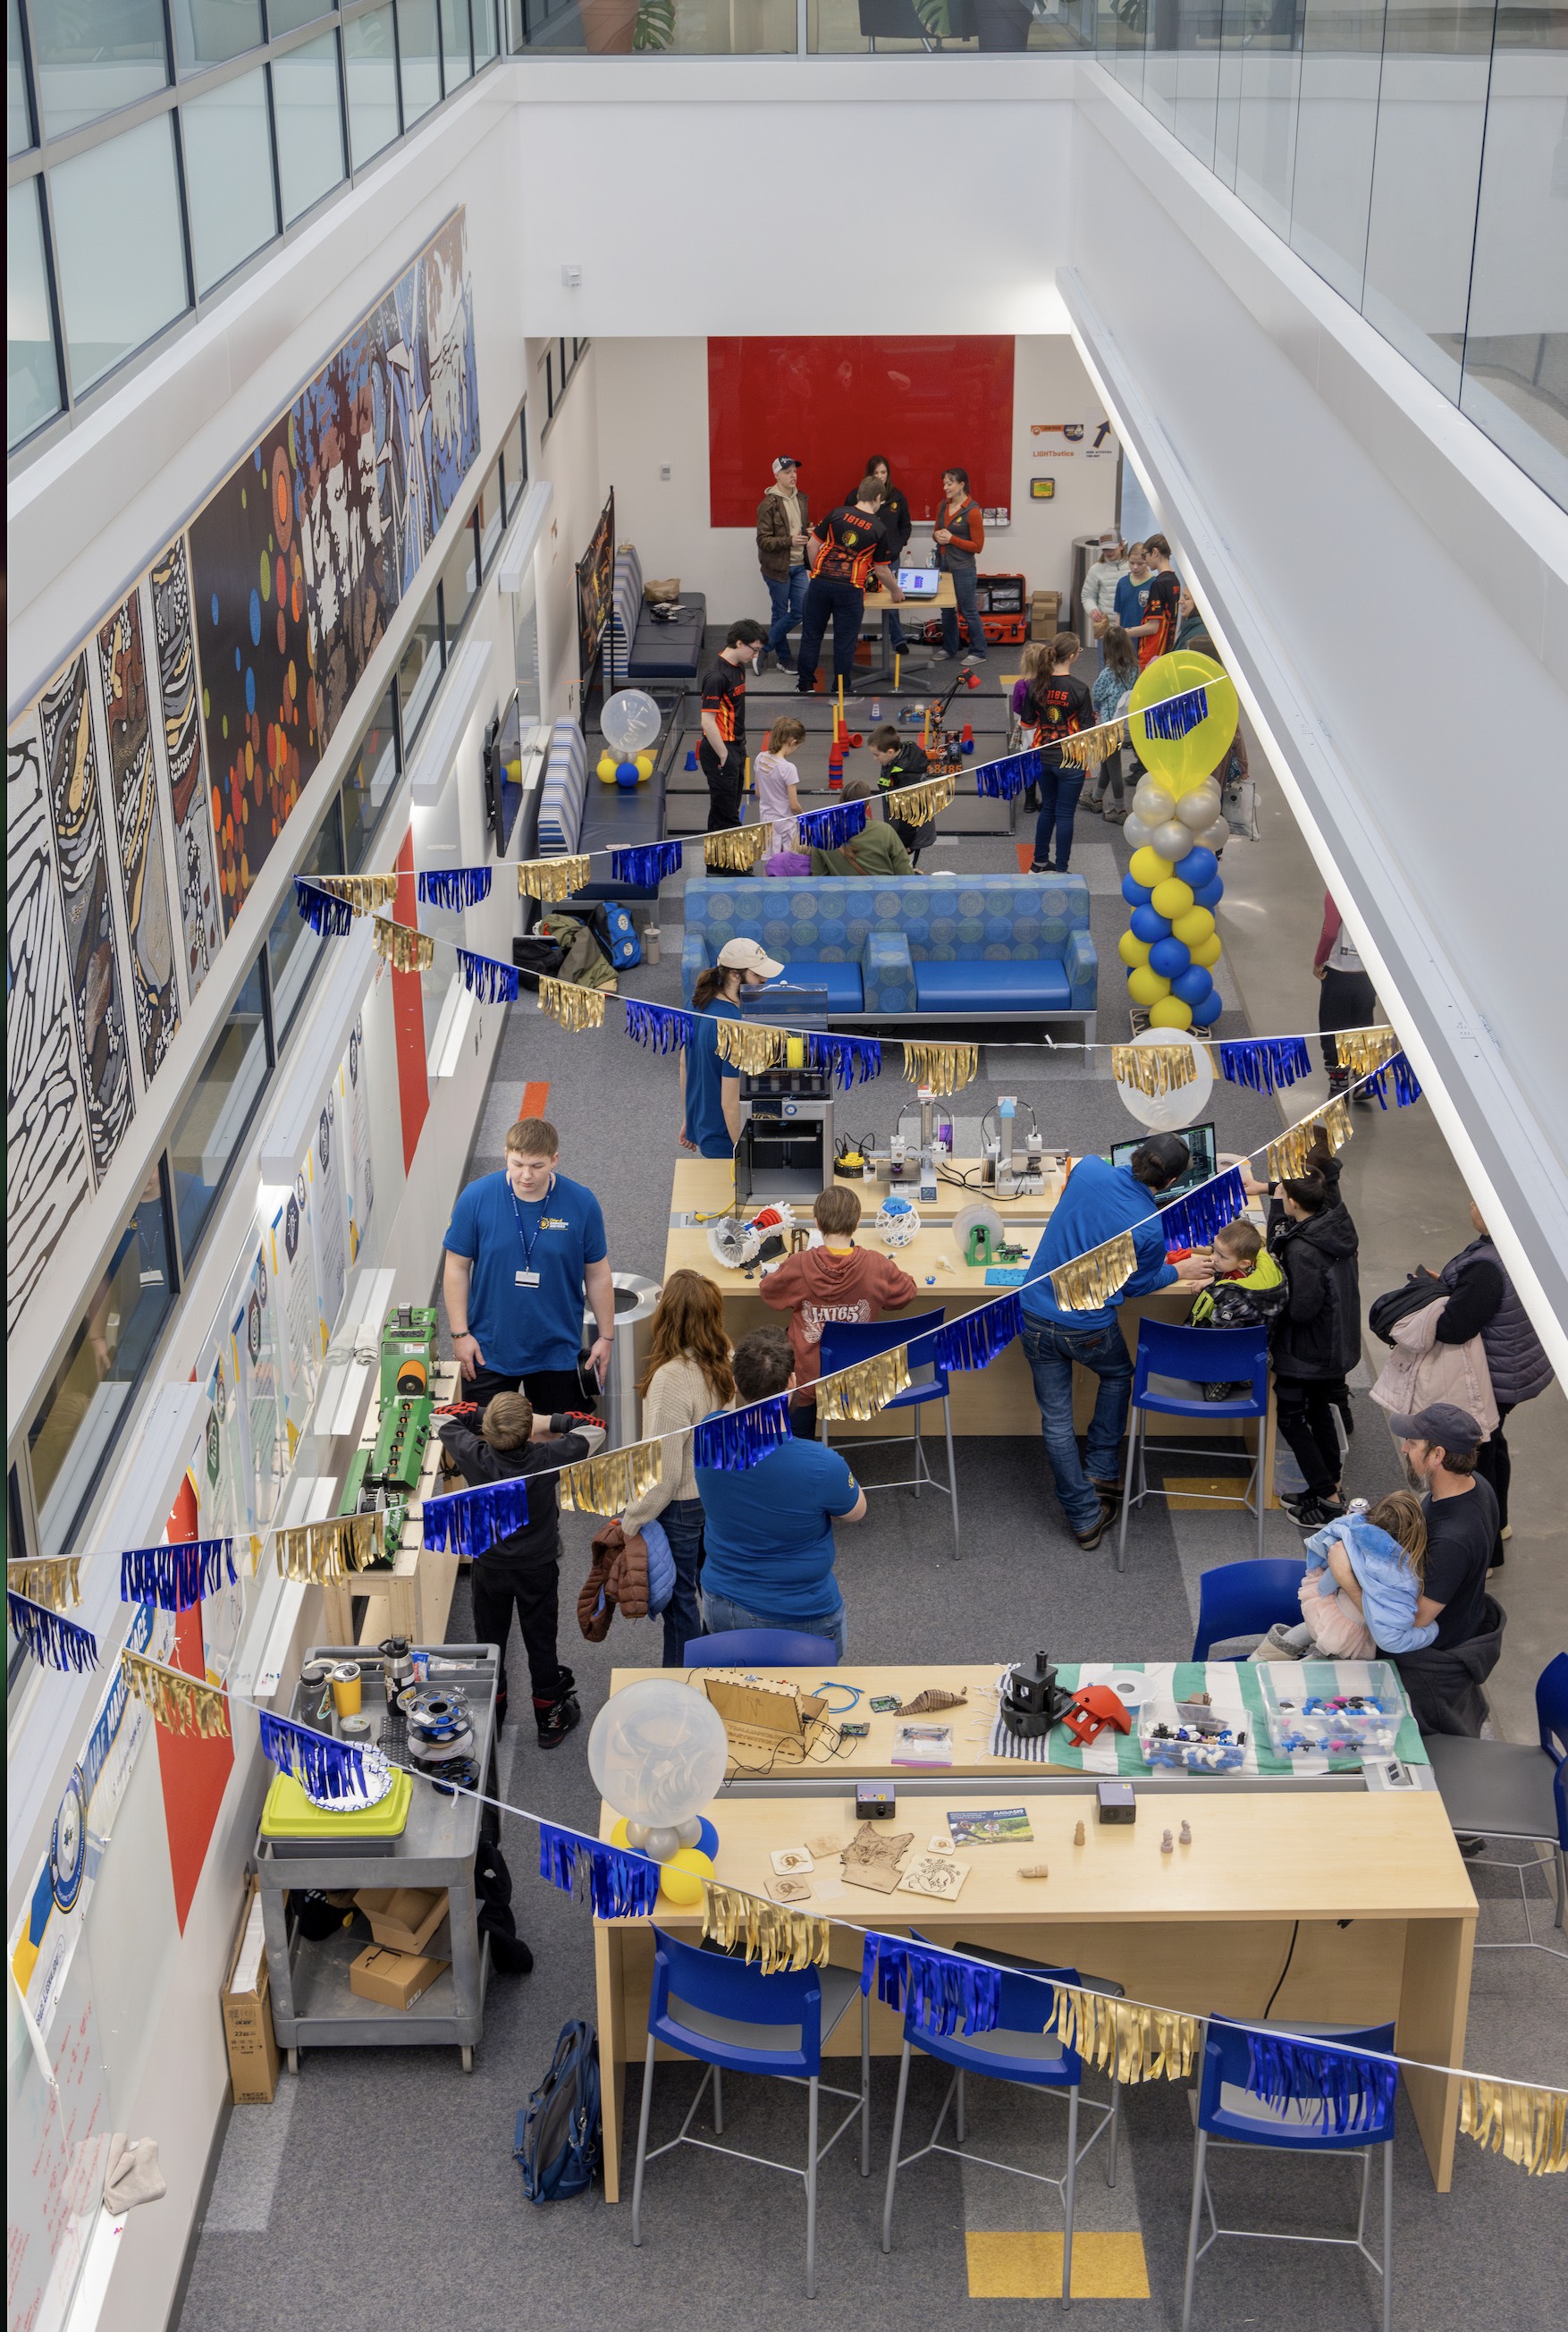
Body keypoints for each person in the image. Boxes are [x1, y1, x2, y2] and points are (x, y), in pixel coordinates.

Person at [1021, 1136, 1213, 1549]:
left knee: (1055, 1421)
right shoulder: (1149, 1227)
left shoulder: (1088, 1167)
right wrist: (1181, 1271)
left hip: (1035, 1313)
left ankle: (1083, 1515)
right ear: (1175, 1180)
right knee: (1118, 1376)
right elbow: (1139, 1284)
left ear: (1133, 1155)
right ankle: (1102, 1469)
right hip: (1088, 1327)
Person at [435, 1393, 603, 1738]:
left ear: (486, 1432)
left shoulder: (475, 1455)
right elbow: (595, 1429)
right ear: (530, 1433)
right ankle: (550, 1722)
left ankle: (492, 1718)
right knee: (541, 1643)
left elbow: (440, 1416)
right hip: (537, 1568)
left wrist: (488, 1417)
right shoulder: (547, 1457)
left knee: (490, 1641)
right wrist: (548, 1421)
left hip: (489, 1567)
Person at [694, 1328, 867, 1656]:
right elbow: (856, 1511)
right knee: (809, 1702)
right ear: (791, 1383)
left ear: (735, 1384)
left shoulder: (708, 1432)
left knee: (736, 1699)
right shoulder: (822, 1464)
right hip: (803, 1616)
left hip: (723, 1606)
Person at [443, 1117, 613, 1414]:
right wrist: (459, 1334)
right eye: (517, 1164)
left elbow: (597, 1273)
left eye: (537, 1166)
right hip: (488, 1347)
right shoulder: (475, 1198)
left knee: (558, 1442)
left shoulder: (582, 1203)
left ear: (554, 1160)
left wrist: (606, 1336)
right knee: (488, 1439)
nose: (526, 1175)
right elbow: (456, 1267)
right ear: (505, 1155)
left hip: (557, 1348)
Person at [622, 1270, 736, 1666]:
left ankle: (680, 1683)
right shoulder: (725, 1356)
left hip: (683, 1505)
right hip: (718, 1496)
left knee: (680, 1601)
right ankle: (718, 1662)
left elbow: (663, 1473)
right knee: (715, 1589)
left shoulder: (671, 1379)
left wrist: (631, 1520)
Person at [1430, 1201, 1553, 1566]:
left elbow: (1456, 1328)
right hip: (1515, 1368)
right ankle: (1500, 1524)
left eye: (1479, 1200)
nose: (1470, 1204)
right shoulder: (1518, 1245)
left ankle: (1487, 1557)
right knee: (1493, 1441)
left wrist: (1433, 1308)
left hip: (1492, 1377)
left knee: (1474, 1459)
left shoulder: (1486, 1266)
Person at [1376, 1405, 1503, 1736]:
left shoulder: (1454, 1540)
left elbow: (1412, 1619)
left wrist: (1348, 1576)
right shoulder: (1475, 1485)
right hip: (1458, 1624)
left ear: (1438, 1455)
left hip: (1428, 1665)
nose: (1404, 1448)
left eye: (1413, 1443)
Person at [760, 1184, 919, 1440]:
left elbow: (769, 1292)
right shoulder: (876, 1264)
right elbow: (907, 1292)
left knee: (787, 1351)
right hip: (857, 1377)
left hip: (807, 1380)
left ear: (817, 1223)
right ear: (856, 1223)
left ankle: (801, 1446)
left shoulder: (799, 1264)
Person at [1269, 1168, 1361, 1526]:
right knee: (1320, 1408)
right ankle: (1330, 1484)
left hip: (1307, 1351)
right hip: (1336, 1342)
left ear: (1292, 1201)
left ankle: (1326, 1496)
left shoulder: (1302, 1249)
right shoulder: (1334, 1226)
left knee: (1292, 1417)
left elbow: (1301, 1310)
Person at [1252, 1491, 1434, 1662]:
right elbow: (1392, 1637)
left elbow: (1321, 1541)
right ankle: (1296, 1675)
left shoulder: (1353, 1533)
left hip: (1324, 1607)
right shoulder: (1402, 1575)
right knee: (1330, 1661)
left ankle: (1257, 1661)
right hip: (1347, 1636)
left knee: (1305, 1632)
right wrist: (1431, 1631)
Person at [797, 479, 902, 697]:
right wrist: (895, 591)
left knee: (811, 635)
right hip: (850, 587)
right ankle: (841, 690)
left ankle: (805, 685)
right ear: (878, 499)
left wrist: (818, 571)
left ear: (857, 496)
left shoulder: (837, 514)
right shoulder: (879, 529)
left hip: (820, 583)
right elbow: (882, 571)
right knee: (844, 641)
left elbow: (812, 544)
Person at [679, 937, 783, 1159]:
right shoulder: (735, 1030)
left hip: (704, 1126)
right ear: (735, 975)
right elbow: (730, 1106)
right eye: (757, 975)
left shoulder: (696, 1002)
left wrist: (690, 1117)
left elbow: (684, 1063)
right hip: (725, 1138)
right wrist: (743, 1153)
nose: (764, 980)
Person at [1186, 1217, 1286, 1398]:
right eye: (1215, 1251)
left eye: (1221, 1256)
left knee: (1211, 1347)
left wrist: (1213, 1289)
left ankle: (1225, 1376)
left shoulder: (1233, 1300)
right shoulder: (1258, 1266)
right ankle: (1249, 1366)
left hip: (1230, 1346)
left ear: (1244, 1263)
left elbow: (1219, 1336)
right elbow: (1233, 1277)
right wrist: (1214, 1280)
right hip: (1255, 1339)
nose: (1214, 1258)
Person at [1025, 630, 1095, 874]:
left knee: (1048, 809)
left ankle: (1039, 862)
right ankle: (1062, 868)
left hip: (1042, 757)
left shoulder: (1036, 685)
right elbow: (1088, 731)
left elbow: (1026, 724)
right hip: (1071, 760)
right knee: (1065, 814)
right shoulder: (1080, 688)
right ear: (1074, 656)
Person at [698, 619, 767, 833]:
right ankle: (731, 866)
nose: (755, 656)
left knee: (724, 809)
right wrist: (724, 755)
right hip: (721, 749)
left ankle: (717, 863)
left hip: (736, 746)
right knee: (727, 816)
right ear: (739, 643)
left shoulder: (738, 668)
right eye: (754, 650)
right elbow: (707, 722)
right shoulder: (716, 676)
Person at [1313, 891, 1378, 1102]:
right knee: (1362, 1024)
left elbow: (1330, 933)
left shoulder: (1335, 891)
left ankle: (1339, 1084)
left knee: (1332, 1028)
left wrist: (1319, 960)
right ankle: (1361, 1080)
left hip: (1338, 973)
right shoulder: (1374, 891)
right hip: (1367, 973)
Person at [755, 456, 810, 671]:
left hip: (799, 566)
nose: (793, 475)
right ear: (776, 475)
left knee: (800, 611)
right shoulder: (768, 504)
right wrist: (790, 541)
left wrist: (808, 534)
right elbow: (762, 540)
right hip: (777, 568)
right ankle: (784, 658)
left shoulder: (802, 499)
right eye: (787, 472)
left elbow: (799, 529)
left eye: (795, 471)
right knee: (780, 612)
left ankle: (763, 649)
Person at [856, 455, 914, 655]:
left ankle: (898, 640)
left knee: (892, 596)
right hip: (863, 558)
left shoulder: (897, 497)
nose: (880, 476)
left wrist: (898, 545)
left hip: (891, 558)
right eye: (876, 473)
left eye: (884, 472)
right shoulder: (857, 496)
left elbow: (905, 526)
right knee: (857, 598)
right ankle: (851, 637)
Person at [933, 467, 988, 667]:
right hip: (943, 564)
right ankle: (950, 647)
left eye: (950, 483)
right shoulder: (942, 505)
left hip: (964, 567)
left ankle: (979, 651)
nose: (945, 487)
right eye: (944, 483)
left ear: (961, 485)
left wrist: (952, 539)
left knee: (968, 610)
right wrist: (937, 536)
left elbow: (978, 547)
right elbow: (936, 532)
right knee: (946, 609)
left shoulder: (972, 511)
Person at [1083, 622, 1138, 823]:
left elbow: (1096, 692)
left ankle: (1120, 809)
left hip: (1107, 726)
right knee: (1107, 763)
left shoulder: (1108, 672)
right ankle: (1096, 797)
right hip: (1122, 723)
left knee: (1114, 768)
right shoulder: (1134, 667)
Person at [808, 777, 916, 876]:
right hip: (882, 895)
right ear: (867, 806)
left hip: (844, 896)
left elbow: (818, 878)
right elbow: (905, 873)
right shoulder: (885, 831)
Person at [869, 723, 936, 861]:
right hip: (900, 826)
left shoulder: (906, 777)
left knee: (905, 870)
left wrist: (905, 844)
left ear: (890, 752)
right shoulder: (903, 753)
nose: (875, 759)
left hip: (910, 834)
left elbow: (909, 817)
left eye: (877, 755)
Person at [1126, 534, 1181, 668]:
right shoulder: (1175, 581)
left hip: (1152, 651)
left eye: (1145, 556)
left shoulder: (1158, 584)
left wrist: (1124, 632)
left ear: (1155, 552)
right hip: (1166, 648)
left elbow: (1153, 627)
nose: (1145, 561)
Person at [754, 714, 805, 850]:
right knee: (789, 860)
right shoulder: (788, 768)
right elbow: (794, 805)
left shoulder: (760, 758)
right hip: (785, 822)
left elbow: (758, 792)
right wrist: (803, 816)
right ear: (793, 742)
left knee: (770, 862)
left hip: (766, 819)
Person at [1079, 536, 1128, 664]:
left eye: (1112, 548)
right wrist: (1093, 610)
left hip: (1129, 627)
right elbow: (1087, 596)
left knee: (1128, 663)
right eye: (1105, 549)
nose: (1109, 552)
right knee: (1105, 664)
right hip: (1106, 629)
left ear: (1121, 545)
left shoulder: (1132, 566)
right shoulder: (1096, 569)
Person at [1113, 541, 1152, 636]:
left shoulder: (1154, 584)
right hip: (1124, 637)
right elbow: (1118, 613)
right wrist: (1117, 634)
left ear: (1147, 562)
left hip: (1144, 638)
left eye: (1140, 564)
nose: (1135, 567)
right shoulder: (1122, 583)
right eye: (1132, 563)